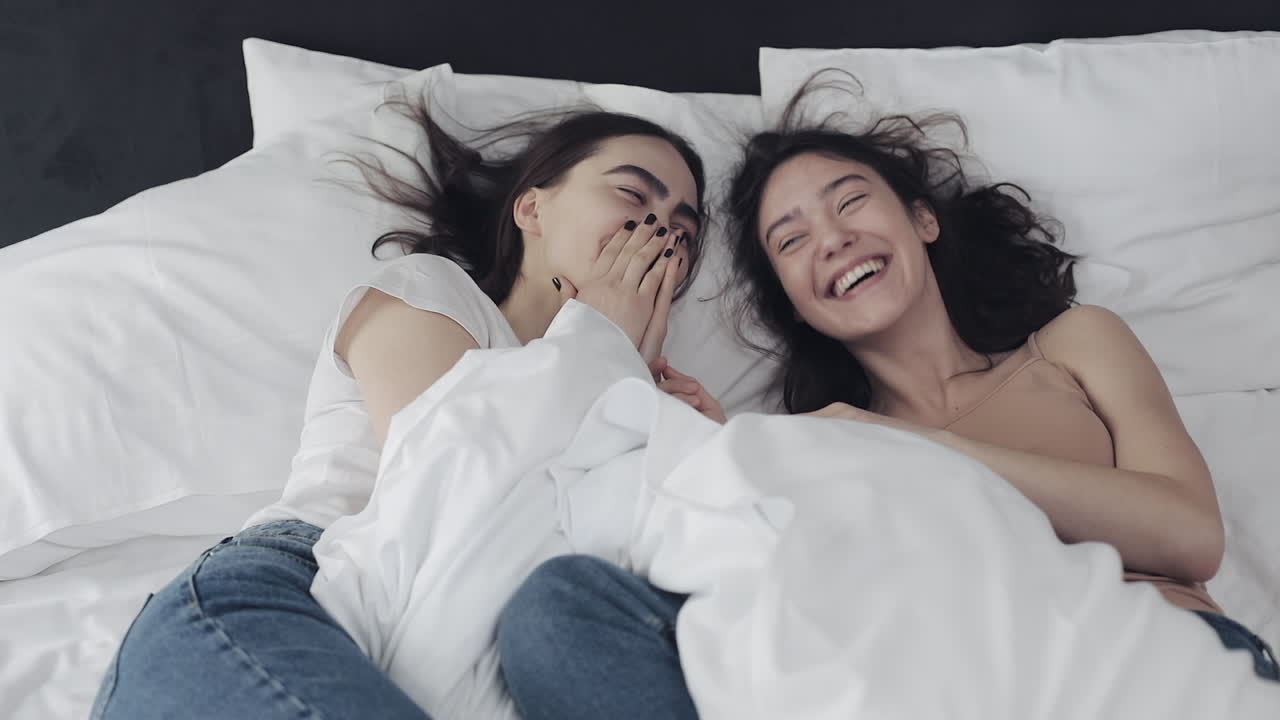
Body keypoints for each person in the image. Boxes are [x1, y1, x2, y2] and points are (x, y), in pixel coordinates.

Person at [496, 78, 1279, 719]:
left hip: (1148, 654)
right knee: (559, 612)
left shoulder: (1073, 343)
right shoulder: (817, 444)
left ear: (922, 218)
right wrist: (724, 460)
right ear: (795, 303)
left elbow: (1187, 534)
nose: (831, 238)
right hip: (946, 687)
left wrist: (908, 448)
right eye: (791, 239)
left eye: (851, 201)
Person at [89, 96, 708, 720]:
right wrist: (599, 342)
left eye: (682, 229)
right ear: (532, 207)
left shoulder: (635, 399)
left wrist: (686, 440)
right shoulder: (431, 291)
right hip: (288, 593)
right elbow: (443, 487)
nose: (659, 232)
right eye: (634, 196)